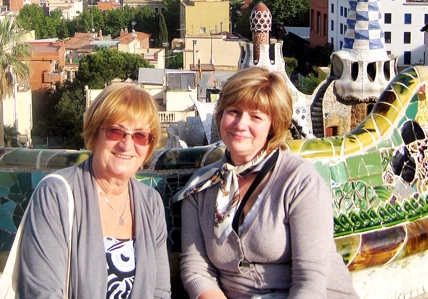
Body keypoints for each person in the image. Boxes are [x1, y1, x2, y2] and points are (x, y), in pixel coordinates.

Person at [176, 68, 358, 299]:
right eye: (233, 112)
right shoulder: (202, 187)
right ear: (220, 116)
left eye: (256, 117)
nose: (241, 124)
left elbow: (310, 280)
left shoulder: (299, 182)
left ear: (273, 125)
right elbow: (196, 268)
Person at [18, 83, 170, 299]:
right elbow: (42, 293)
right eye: (115, 131)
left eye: (139, 136)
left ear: (149, 145)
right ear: (95, 133)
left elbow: (159, 292)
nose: (127, 145)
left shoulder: (150, 202)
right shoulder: (56, 194)